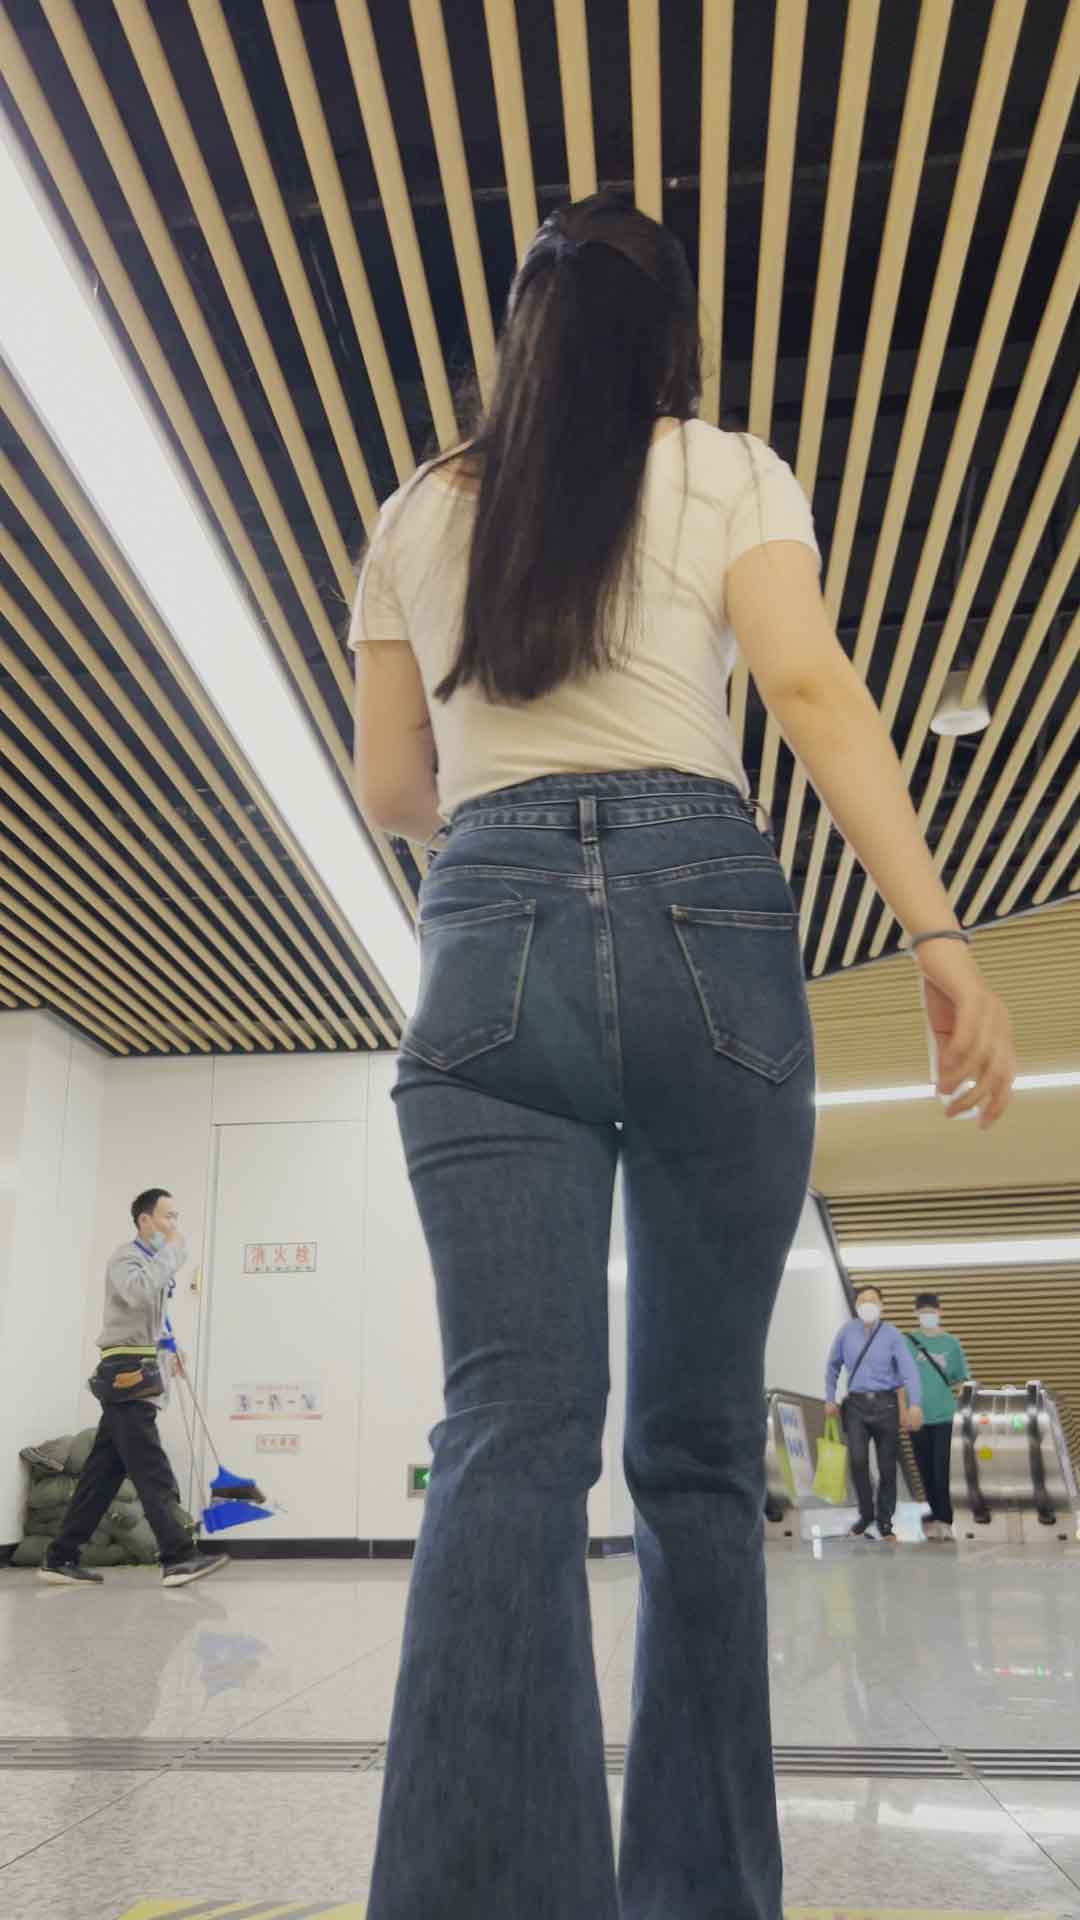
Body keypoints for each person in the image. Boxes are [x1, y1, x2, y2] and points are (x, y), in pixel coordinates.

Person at [351, 191, 1016, 1919]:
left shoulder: (420, 506)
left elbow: (393, 787)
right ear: (674, 339)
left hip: (487, 927)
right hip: (705, 911)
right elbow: (805, 684)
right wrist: (940, 933)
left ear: (523, 332)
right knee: (701, 1455)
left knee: (508, 1433)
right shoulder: (729, 469)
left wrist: (515, 825)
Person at [41, 1187, 229, 1592]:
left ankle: (60, 1557)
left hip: (138, 1368)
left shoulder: (151, 1262)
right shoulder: (126, 1258)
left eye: (176, 1218)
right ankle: (178, 1557)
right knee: (150, 1466)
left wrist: (169, 1352)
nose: (174, 1225)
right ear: (145, 1220)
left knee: (102, 1474)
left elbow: (148, 1321)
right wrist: (173, 1252)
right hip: (124, 1373)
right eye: (167, 1217)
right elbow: (138, 1293)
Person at [825, 1284, 924, 1545]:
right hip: (856, 1406)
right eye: (862, 1301)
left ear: (881, 1305)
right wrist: (829, 1397)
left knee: (887, 1467)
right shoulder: (846, 1332)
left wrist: (915, 1404)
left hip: (886, 1406)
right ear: (856, 1306)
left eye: (872, 1300)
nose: (866, 1305)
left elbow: (909, 1370)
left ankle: (885, 1522)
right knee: (857, 1461)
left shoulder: (892, 1335)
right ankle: (866, 1514)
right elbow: (832, 1366)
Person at [906, 1291, 970, 1540]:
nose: (928, 1316)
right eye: (923, 1312)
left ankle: (945, 1519)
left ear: (939, 1312)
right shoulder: (907, 1342)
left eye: (931, 1312)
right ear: (916, 1313)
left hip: (945, 1416)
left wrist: (964, 1407)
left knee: (942, 1469)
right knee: (925, 1469)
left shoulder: (951, 1343)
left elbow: (960, 1379)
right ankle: (936, 1513)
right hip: (917, 1416)